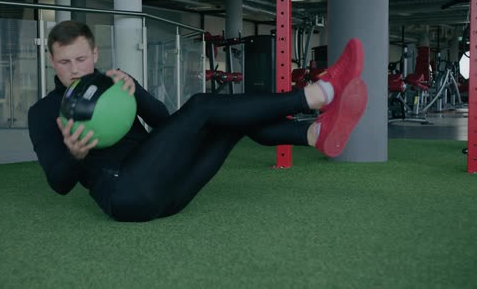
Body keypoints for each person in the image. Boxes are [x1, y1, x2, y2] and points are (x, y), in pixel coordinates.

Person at [28, 20, 368, 222]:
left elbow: (163, 121)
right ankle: (317, 94)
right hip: (126, 194)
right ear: (51, 60)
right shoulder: (43, 111)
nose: (74, 70)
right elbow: (59, 184)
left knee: (226, 119)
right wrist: (75, 154)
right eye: (64, 62)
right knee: (204, 105)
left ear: (95, 55)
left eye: (81, 59)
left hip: (173, 194)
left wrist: (136, 93)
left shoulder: (116, 84)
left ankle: (313, 132)